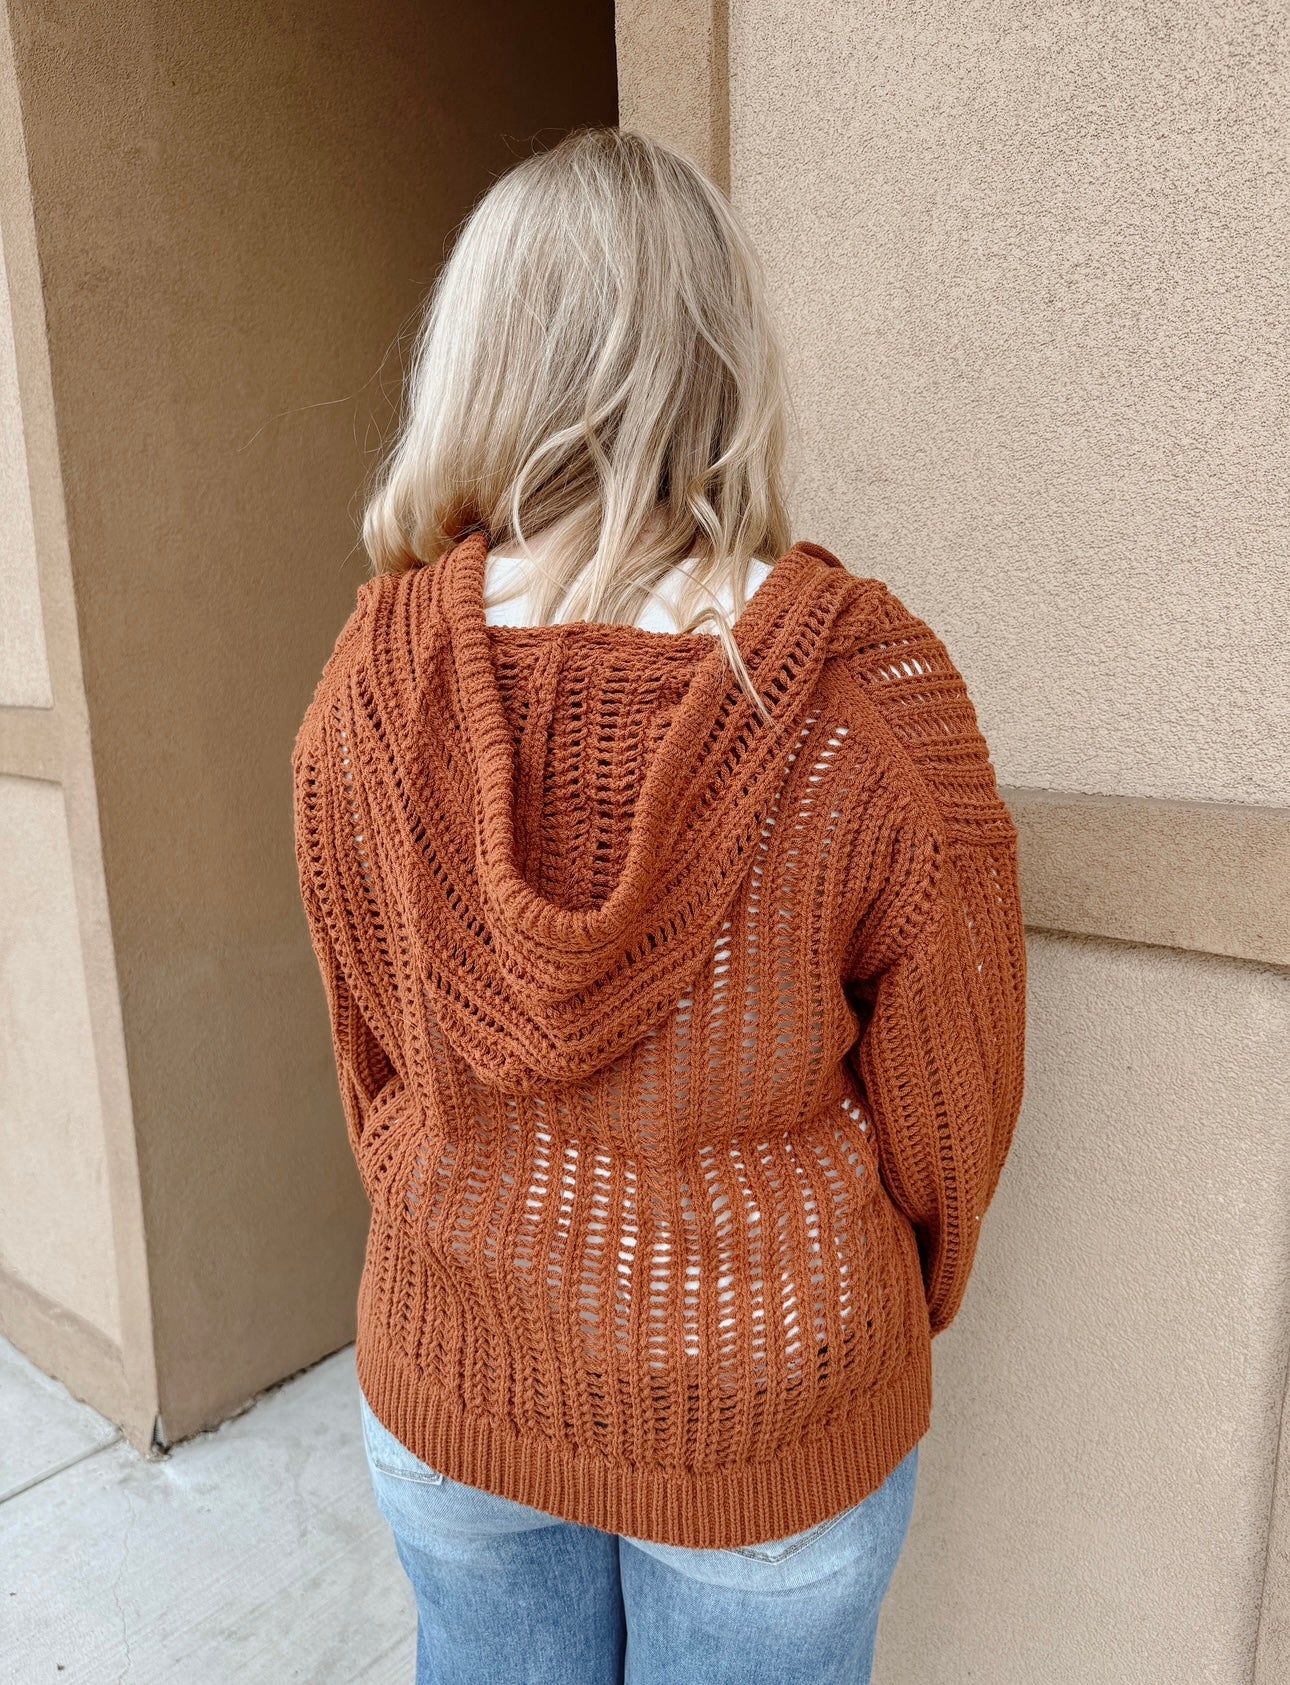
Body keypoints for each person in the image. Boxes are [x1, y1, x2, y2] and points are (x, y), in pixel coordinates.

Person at [292, 125, 1027, 1685]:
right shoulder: (864, 698)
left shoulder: (369, 684)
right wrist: (870, 1315)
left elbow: (371, 1056)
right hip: (767, 1405)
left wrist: (460, 1221)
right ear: (721, 359)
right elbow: (947, 1120)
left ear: (475, 364)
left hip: (456, 1365)